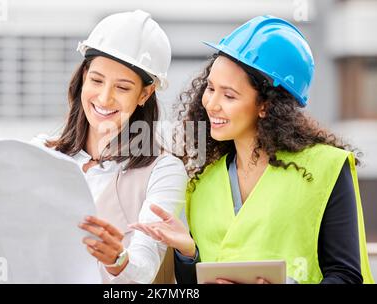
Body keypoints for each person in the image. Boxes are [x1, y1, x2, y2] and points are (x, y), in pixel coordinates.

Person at [129, 15, 375, 284]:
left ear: (266, 105)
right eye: (210, 88)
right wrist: (188, 253)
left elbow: (348, 276)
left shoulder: (326, 168)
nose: (211, 103)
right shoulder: (201, 181)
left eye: (229, 95)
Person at [37, 10, 187, 283]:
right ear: (83, 76)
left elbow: (144, 266)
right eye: (96, 80)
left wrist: (119, 259)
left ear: (145, 93)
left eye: (122, 87)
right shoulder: (40, 153)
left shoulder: (163, 171)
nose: (104, 98)